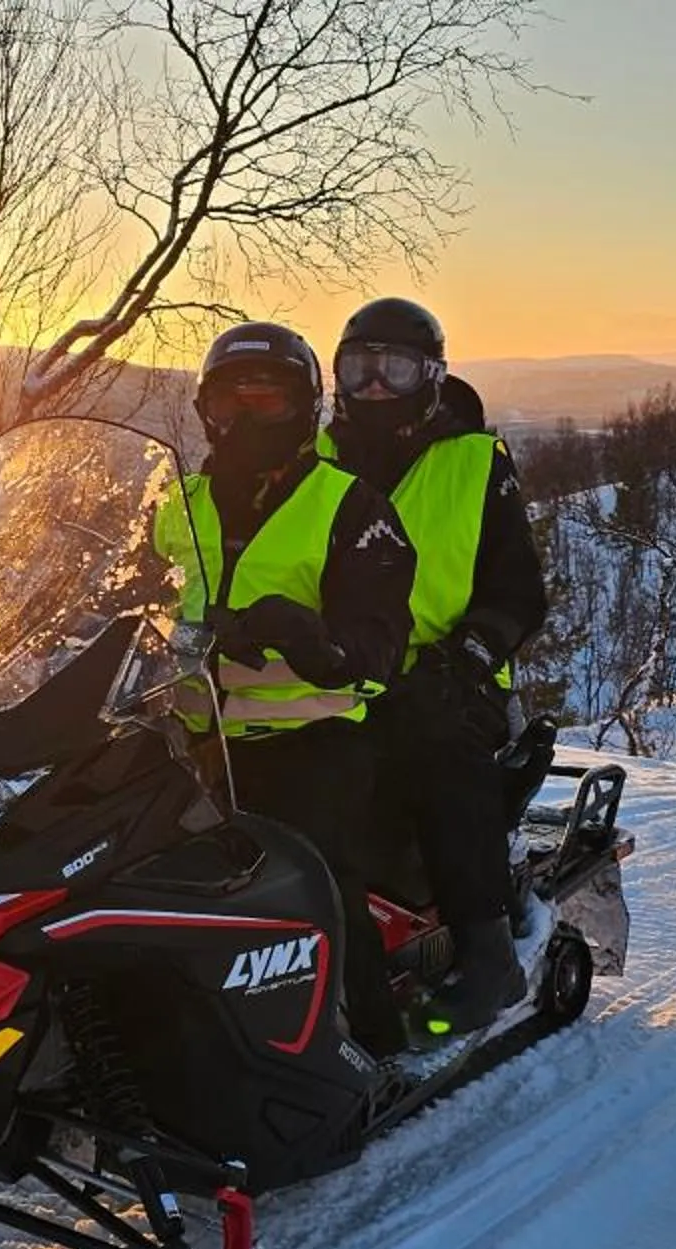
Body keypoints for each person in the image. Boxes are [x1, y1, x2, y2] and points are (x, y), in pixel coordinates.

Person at [155, 321, 418, 1058]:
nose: (244, 418)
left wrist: (311, 637)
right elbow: (126, 588)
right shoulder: (179, 503)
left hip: (311, 735)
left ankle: (371, 1041)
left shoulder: (352, 508)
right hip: (187, 736)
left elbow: (379, 649)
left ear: (304, 407)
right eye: (229, 402)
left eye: (266, 401)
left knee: (313, 878)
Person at [322, 297, 549, 1039]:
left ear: (432, 376)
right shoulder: (312, 460)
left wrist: (470, 656)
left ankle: (487, 951)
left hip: (451, 676)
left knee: (434, 749)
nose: (377, 386)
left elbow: (519, 590)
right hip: (330, 672)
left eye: (395, 367)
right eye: (360, 368)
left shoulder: (475, 461)